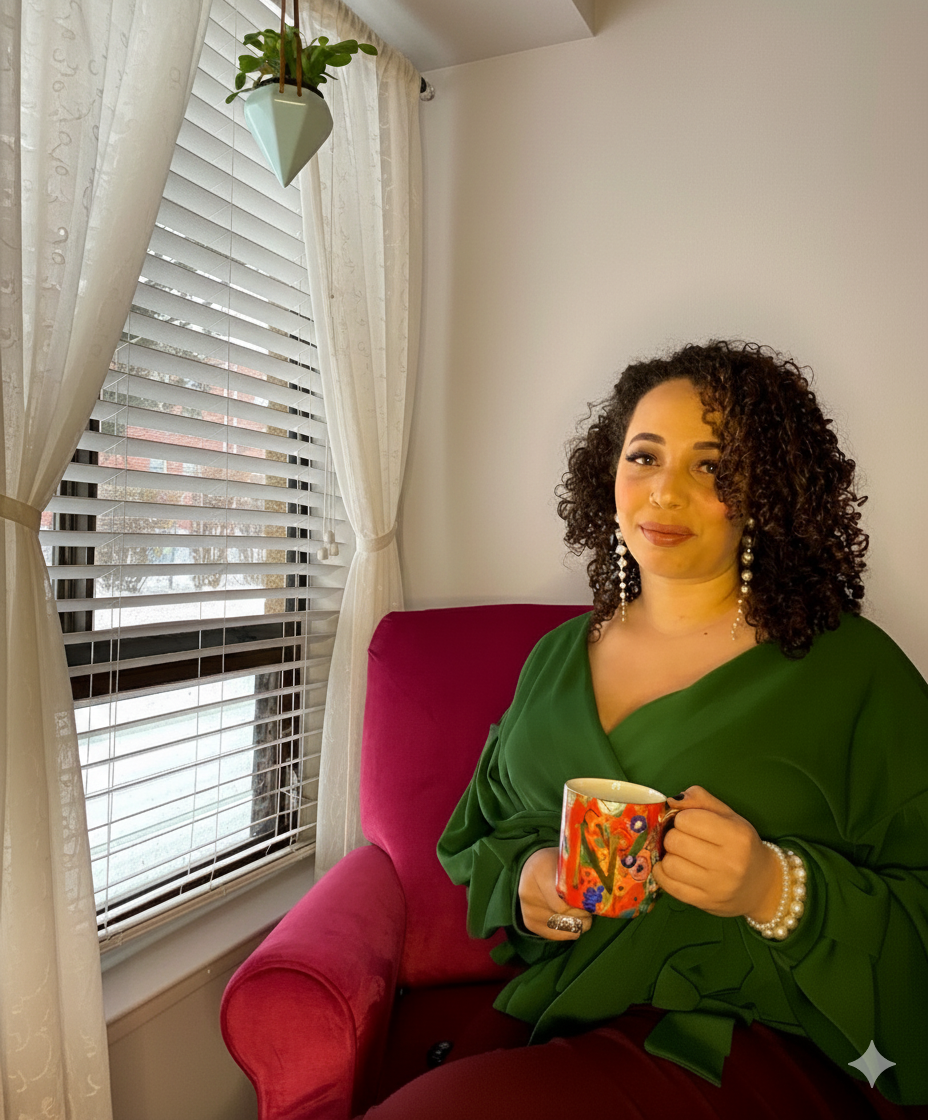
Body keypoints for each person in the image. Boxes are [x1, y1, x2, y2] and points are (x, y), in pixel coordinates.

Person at [362, 341, 928, 1118]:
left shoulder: (853, 671)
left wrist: (776, 888)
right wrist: (530, 878)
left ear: (768, 491)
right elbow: (485, 831)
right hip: (559, 1011)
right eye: (644, 456)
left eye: (711, 466)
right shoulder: (556, 658)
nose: (665, 492)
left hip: (746, 1040)